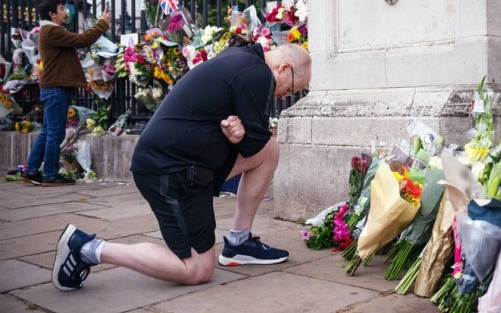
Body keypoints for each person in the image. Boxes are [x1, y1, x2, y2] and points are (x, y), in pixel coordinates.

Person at [51, 42, 311, 290]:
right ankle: (86, 248)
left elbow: (249, 138)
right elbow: (252, 141)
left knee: (269, 150)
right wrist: (241, 134)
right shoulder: (257, 73)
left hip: (189, 162)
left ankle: (239, 242)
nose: (284, 96)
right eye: (290, 90)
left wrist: (238, 130)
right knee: (197, 270)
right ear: (284, 68)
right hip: (168, 170)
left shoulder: (242, 60)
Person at [22, 0, 111, 187]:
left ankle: (31, 170)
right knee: (55, 133)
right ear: (52, 14)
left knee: (48, 131)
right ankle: (51, 174)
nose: (66, 12)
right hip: (56, 88)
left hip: (52, 87)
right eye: (62, 9)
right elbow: (82, 40)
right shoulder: (52, 31)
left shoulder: (49, 31)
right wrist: (102, 23)